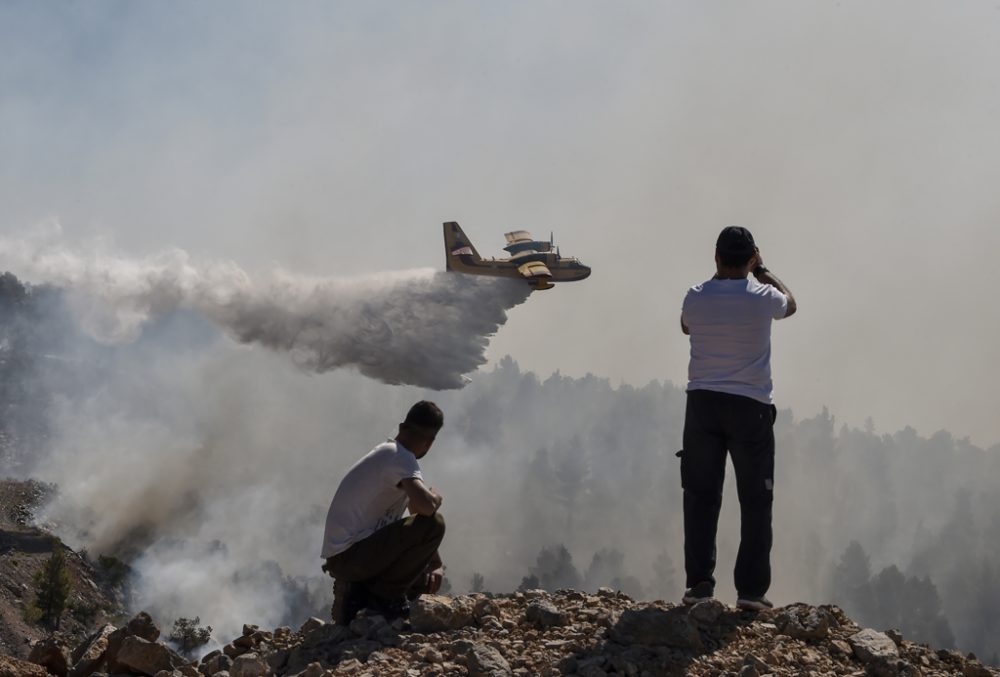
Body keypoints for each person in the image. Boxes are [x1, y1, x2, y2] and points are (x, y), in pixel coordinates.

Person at [678, 226, 797, 611]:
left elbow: (685, 325)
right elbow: (790, 304)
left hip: (703, 404)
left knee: (700, 497)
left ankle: (699, 585)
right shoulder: (763, 297)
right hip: (750, 407)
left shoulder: (695, 297)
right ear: (751, 258)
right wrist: (763, 270)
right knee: (755, 502)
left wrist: (721, 277)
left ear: (715, 257)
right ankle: (750, 592)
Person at [321, 400, 446, 624]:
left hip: (346, 557)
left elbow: (417, 512)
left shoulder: (390, 454)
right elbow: (427, 510)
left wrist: (435, 562)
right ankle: (383, 599)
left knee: (421, 577)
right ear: (430, 442)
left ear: (402, 427)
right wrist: (436, 496)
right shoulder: (401, 456)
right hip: (351, 556)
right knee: (436, 524)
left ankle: (358, 598)